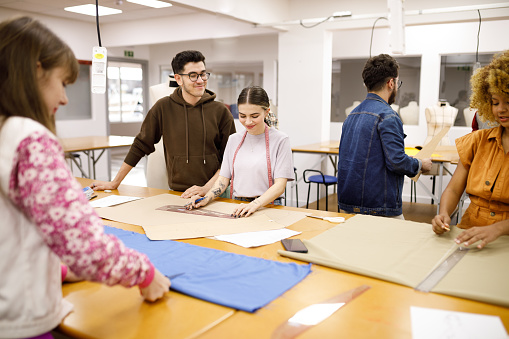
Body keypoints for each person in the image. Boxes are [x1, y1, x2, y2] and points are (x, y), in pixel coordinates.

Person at [0, 17, 170, 339]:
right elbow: (83, 243)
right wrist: (144, 273)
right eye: (62, 83)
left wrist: (56, 269)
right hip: (20, 321)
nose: (64, 99)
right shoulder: (30, 140)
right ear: (37, 71)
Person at [91, 50, 236, 198]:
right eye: (193, 75)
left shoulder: (220, 111)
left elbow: (230, 159)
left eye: (203, 74)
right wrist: (115, 182)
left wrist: (206, 189)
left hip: (215, 192)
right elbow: (140, 145)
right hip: (178, 194)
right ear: (178, 79)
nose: (200, 80)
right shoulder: (163, 107)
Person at [337, 54, 432, 218]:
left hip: (348, 204)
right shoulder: (388, 116)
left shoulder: (352, 115)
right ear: (391, 83)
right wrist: (420, 164)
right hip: (379, 207)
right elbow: (397, 161)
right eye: (397, 83)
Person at [432, 50, 509, 249]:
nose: (501, 109)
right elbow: (454, 189)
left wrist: (497, 229)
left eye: (508, 102)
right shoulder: (477, 142)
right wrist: (444, 213)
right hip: (467, 233)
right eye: (495, 102)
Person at [186, 86, 294, 217]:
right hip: (237, 206)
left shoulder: (280, 140)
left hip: (267, 206)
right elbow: (223, 179)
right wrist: (206, 198)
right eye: (242, 116)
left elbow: (279, 186)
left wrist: (255, 204)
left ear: (266, 112)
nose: (248, 122)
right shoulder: (234, 140)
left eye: (254, 116)